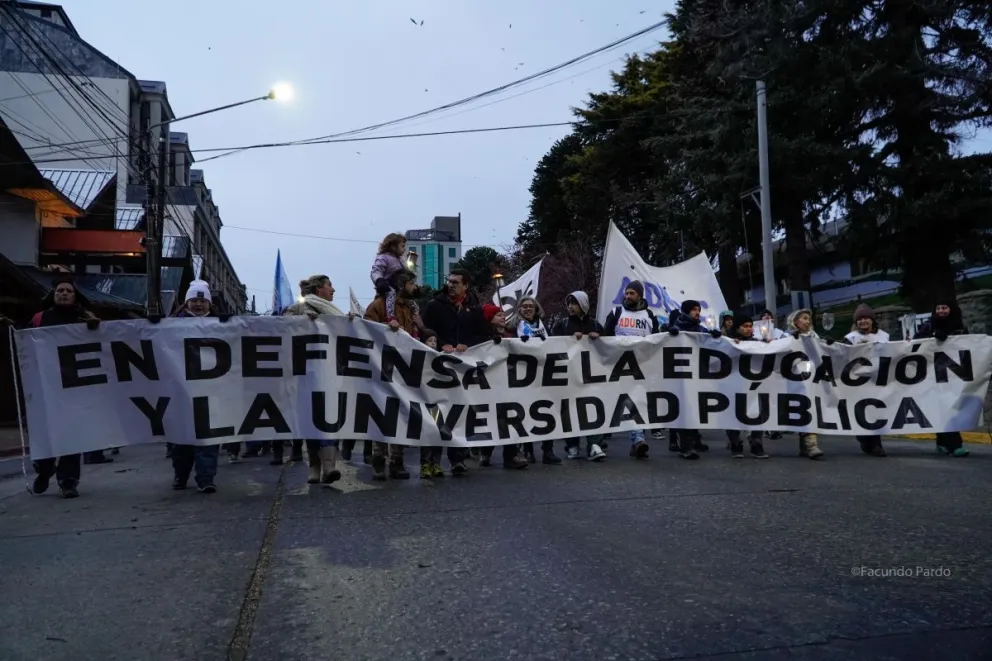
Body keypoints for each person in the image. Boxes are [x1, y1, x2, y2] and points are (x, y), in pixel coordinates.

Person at [28, 277, 98, 498]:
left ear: (75, 296)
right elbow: (25, 345)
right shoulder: (39, 319)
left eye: (69, 290)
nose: (64, 293)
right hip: (44, 387)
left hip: (74, 388)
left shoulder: (86, 320)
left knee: (71, 434)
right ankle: (44, 470)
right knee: (46, 433)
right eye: (60, 290)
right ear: (54, 294)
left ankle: (68, 481)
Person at [421, 268, 490, 475]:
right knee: (436, 414)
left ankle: (457, 459)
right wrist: (442, 345)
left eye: (456, 282)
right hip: (438, 370)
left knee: (459, 413)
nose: (451, 285)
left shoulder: (475, 310)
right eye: (449, 281)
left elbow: (483, 336)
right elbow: (425, 333)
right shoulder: (434, 306)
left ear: (465, 286)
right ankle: (430, 461)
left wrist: (466, 345)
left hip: (463, 371)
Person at [282, 275, 345, 484]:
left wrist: (351, 323)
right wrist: (301, 322)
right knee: (311, 420)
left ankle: (328, 465)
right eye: (330, 285)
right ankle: (315, 466)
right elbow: (280, 325)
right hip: (305, 375)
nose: (333, 290)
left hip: (330, 374)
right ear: (319, 289)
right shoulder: (298, 308)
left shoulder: (336, 313)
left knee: (328, 418)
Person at [169, 280, 225, 493]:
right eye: (194, 300)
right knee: (181, 438)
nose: (198, 304)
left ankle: (206, 477)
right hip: (182, 390)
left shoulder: (221, 323)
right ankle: (180, 475)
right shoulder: (172, 323)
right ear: (187, 302)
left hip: (211, 390)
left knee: (208, 436)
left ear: (209, 303)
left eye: (202, 300)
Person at [363, 270, 419, 480]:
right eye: (412, 284)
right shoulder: (379, 305)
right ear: (403, 284)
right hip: (383, 368)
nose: (415, 288)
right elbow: (365, 328)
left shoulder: (411, 308)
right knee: (382, 413)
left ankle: (397, 461)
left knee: (402, 414)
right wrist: (386, 327)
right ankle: (379, 459)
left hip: (404, 370)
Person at [603, 280, 659, 459]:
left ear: (640, 296)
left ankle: (637, 439)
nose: (627, 296)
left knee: (638, 401)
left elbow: (657, 340)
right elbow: (605, 337)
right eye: (626, 293)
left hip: (642, 366)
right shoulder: (616, 312)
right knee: (623, 401)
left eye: (631, 293)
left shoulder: (650, 315)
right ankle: (634, 438)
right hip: (620, 366)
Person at [551, 291, 607, 461]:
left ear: (583, 305)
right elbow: (551, 345)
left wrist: (601, 337)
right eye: (568, 304)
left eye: (574, 303)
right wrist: (567, 339)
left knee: (593, 407)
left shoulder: (596, 325)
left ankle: (594, 444)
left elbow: (609, 348)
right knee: (570, 409)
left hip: (591, 375)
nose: (570, 307)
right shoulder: (561, 325)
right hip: (569, 375)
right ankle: (572, 445)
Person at [665, 299, 722, 458]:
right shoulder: (677, 325)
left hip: (696, 373)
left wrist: (715, 335)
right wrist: (670, 331)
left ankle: (694, 439)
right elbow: (662, 335)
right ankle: (685, 445)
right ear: (686, 311)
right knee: (683, 407)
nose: (698, 312)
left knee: (694, 407)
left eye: (698, 309)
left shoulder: (699, 328)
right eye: (694, 309)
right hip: (680, 374)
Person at [914, 299, 970, 457]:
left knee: (949, 407)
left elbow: (968, 347)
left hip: (953, 375)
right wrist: (931, 338)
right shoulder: (928, 326)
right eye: (938, 308)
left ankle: (942, 443)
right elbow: (916, 342)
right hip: (932, 375)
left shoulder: (959, 327)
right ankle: (955, 445)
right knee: (941, 408)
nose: (941, 311)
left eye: (944, 308)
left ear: (951, 309)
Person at [509, 296, 561, 464]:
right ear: (519, 309)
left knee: (547, 411)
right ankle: (528, 449)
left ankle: (548, 450)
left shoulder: (544, 327)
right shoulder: (512, 327)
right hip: (522, 375)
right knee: (525, 413)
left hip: (543, 374)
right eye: (524, 306)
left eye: (531, 306)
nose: (528, 309)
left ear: (536, 308)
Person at [478, 303, 529, 469]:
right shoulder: (482, 339)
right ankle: (485, 451)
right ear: (489, 319)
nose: (502, 316)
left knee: (511, 416)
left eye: (502, 314)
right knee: (492, 417)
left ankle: (512, 454)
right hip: (490, 384)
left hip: (509, 383)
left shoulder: (510, 335)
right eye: (498, 314)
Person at [844, 304, 890, 458]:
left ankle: (876, 444)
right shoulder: (851, 338)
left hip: (877, 379)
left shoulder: (884, 336)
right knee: (861, 411)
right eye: (860, 319)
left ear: (872, 320)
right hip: (857, 380)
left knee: (875, 410)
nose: (863, 322)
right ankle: (864, 439)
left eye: (865, 318)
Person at [725, 313, 771, 459]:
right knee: (733, 413)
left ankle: (756, 444)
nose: (749, 329)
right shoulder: (729, 342)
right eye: (745, 326)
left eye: (750, 326)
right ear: (737, 328)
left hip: (754, 385)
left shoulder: (758, 343)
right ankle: (735, 443)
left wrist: (770, 345)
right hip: (735, 385)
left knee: (757, 413)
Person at [786, 308, 825, 459]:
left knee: (808, 407)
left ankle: (810, 445)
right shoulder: (786, 336)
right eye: (803, 318)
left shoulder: (813, 336)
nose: (807, 322)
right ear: (795, 321)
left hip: (809, 376)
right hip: (791, 378)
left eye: (808, 319)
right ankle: (808, 444)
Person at [370, 232, 408, 327]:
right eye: (402, 246)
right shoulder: (383, 258)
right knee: (391, 293)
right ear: (393, 246)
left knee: (412, 304)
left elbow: (407, 274)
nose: (404, 249)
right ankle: (390, 317)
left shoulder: (402, 260)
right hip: (387, 287)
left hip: (400, 291)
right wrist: (379, 280)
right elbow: (376, 270)